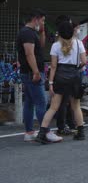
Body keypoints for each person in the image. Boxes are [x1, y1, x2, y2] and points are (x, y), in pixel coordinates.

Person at [36, 22, 87, 143]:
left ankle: (42, 133)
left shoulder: (55, 45)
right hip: (74, 75)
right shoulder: (79, 44)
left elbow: (53, 66)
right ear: (72, 31)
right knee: (76, 106)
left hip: (60, 76)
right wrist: (77, 68)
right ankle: (81, 132)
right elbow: (84, 61)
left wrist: (51, 82)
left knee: (54, 107)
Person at [17, 9, 47, 142]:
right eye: (42, 20)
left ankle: (29, 132)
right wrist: (35, 71)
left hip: (29, 72)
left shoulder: (31, 33)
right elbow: (30, 54)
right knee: (41, 102)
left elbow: (40, 46)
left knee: (29, 102)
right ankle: (44, 132)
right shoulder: (27, 33)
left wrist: (42, 32)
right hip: (31, 73)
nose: (43, 23)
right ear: (36, 19)